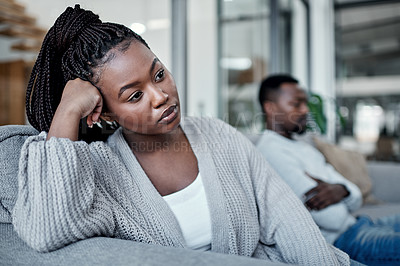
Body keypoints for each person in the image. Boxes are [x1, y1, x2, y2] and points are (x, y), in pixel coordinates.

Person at [11, 5, 350, 265]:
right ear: (104, 111)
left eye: (158, 74)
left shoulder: (218, 134)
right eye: (134, 95)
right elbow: (47, 230)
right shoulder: (100, 170)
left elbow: (289, 222)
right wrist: (68, 110)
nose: (160, 95)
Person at [256, 74, 400, 266]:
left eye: (305, 103)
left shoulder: (305, 148)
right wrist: (343, 191)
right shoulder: (270, 152)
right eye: (296, 104)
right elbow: (331, 218)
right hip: (344, 241)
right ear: (270, 108)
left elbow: (354, 195)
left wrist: (341, 190)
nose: (306, 110)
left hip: (359, 223)